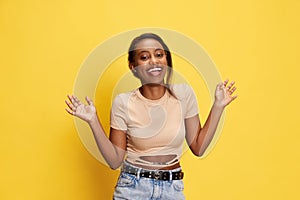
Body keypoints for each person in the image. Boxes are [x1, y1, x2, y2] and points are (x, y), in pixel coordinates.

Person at [65, 33, 237, 199]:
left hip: (172, 188)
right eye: (145, 57)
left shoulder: (184, 94)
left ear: (167, 60)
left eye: (159, 54)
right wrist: (93, 121)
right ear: (133, 67)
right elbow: (114, 161)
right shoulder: (123, 102)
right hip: (133, 188)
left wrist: (218, 106)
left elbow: (198, 147)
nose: (154, 61)